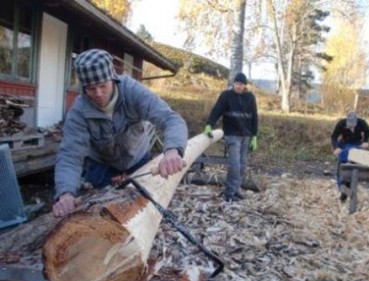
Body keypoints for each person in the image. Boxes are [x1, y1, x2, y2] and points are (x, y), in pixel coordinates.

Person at [52, 49, 188, 217]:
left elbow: (171, 119)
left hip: (138, 160)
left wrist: (173, 150)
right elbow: (69, 155)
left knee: (142, 211)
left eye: (103, 86)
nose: (99, 94)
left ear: (113, 79)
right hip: (101, 165)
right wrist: (65, 193)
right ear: (83, 88)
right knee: (101, 215)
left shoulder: (133, 91)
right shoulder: (79, 111)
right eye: (92, 89)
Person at [204, 72, 258, 202]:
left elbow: (255, 117)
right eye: (237, 83)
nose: (239, 86)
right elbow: (216, 110)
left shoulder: (250, 97)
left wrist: (255, 136)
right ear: (234, 83)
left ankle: (236, 189)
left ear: (245, 85)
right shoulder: (226, 96)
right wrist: (209, 124)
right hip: (232, 134)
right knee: (234, 164)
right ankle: (229, 193)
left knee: (242, 164)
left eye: (242, 84)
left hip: (246, 135)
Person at [331, 112, 369, 201]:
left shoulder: (362, 123)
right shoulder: (341, 123)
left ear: (356, 122)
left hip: (357, 144)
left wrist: (365, 141)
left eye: (353, 126)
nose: (351, 128)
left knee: (354, 166)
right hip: (345, 143)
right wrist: (336, 148)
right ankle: (342, 186)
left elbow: (368, 131)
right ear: (347, 122)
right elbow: (334, 137)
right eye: (350, 126)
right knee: (342, 165)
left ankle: (348, 185)